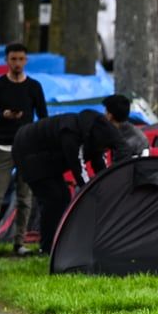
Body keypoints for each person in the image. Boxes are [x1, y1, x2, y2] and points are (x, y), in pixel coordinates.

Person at [0, 42, 47, 259]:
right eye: (13, 59)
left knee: (24, 198)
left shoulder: (34, 87)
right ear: (6, 60)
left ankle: (19, 242)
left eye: (21, 59)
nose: (17, 63)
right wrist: (2, 116)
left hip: (26, 148)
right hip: (3, 146)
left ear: (26, 61)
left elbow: (43, 116)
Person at [12, 109, 123, 255]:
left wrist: (108, 188)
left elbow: (100, 167)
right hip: (28, 152)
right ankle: (48, 248)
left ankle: (55, 244)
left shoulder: (92, 133)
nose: (105, 149)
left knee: (62, 197)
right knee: (53, 199)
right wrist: (94, 193)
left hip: (47, 157)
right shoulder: (71, 134)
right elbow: (79, 171)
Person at [102, 93, 148, 161]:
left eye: (105, 111)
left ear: (110, 115)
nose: (104, 114)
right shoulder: (128, 132)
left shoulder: (126, 140)